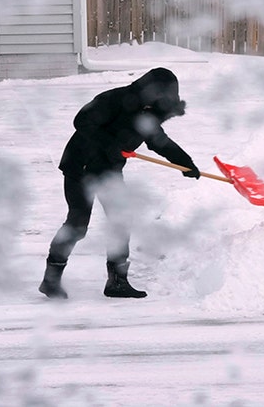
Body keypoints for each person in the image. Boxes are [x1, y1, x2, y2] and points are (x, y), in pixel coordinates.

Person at [39, 67, 200, 300]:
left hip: (108, 172)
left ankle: (117, 282)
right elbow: (82, 121)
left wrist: (186, 163)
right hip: (81, 166)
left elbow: (160, 142)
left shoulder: (149, 114)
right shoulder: (115, 99)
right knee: (77, 224)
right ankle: (50, 280)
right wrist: (110, 144)